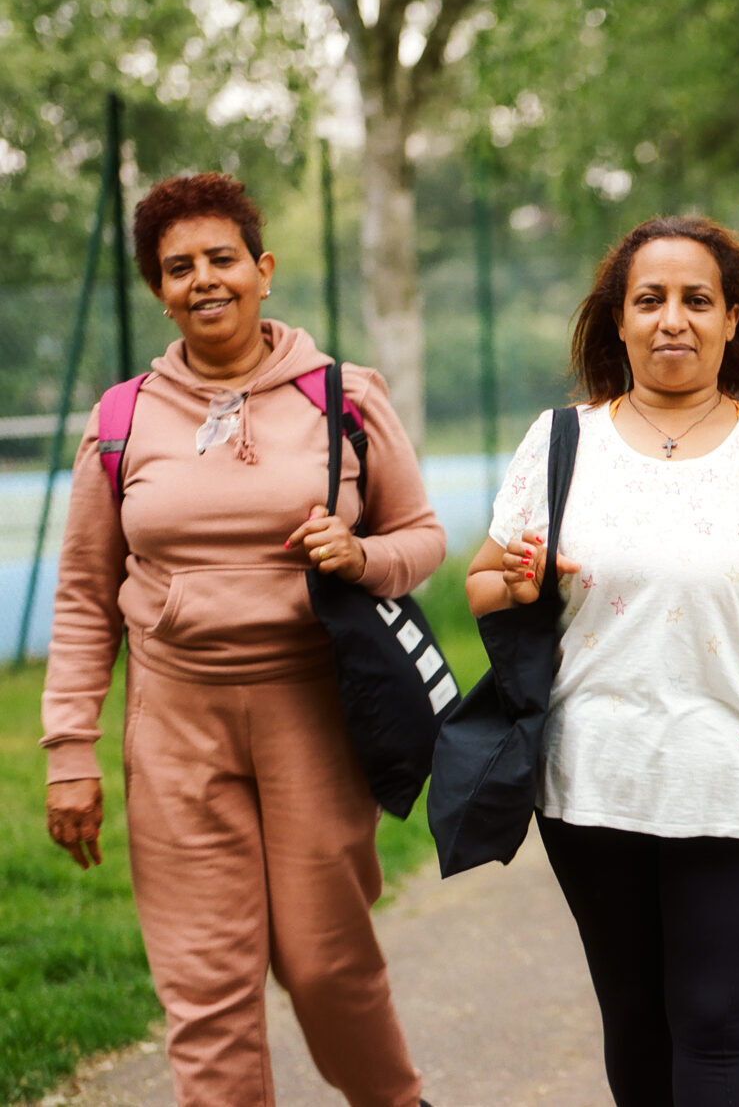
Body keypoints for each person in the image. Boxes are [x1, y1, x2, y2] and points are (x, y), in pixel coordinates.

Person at [40, 173, 442, 1107]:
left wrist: (359, 555)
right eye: (178, 268)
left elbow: (420, 537)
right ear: (160, 291)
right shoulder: (122, 419)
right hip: (175, 723)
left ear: (263, 270)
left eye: (221, 258)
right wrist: (70, 747)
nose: (202, 279)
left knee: (324, 963)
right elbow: (83, 594)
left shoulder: (344, 394)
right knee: (205, 982)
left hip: (314, 715)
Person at [468, 216, 739, 1106]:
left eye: (697, 300)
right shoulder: (561, 442)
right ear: (619, 321)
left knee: (719, 1029)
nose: (672, 320)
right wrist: (523, 581)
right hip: (592, 787)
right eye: (650, 300)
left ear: (734, 321)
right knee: (637, 1028)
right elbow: (483, 585)